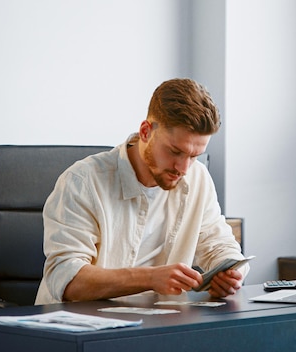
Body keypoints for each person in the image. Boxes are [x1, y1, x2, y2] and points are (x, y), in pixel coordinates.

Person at [35, 78, 249, 304]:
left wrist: (231, 274)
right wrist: (150, 278)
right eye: (175, 151)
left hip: (157, 325)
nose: (183, 168)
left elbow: (220, 245)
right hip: (75, 327)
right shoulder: (82, 182)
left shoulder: (198, 179)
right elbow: (67, 280)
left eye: (194, 156)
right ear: (146, 131)